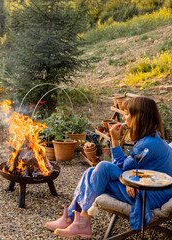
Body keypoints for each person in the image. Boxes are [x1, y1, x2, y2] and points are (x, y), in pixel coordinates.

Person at [45, 96, 172, 238]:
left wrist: (115, 141)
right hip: (149, 187)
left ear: (139, 117)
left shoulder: (147, 145)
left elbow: (122, 166)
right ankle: (72, 219)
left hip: (152, 195)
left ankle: (80, 222)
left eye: (127, 114)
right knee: (92, 171)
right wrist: (130, 175)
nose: (124, 118)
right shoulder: (151, 138)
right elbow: (127, 167)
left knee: (103, 168)